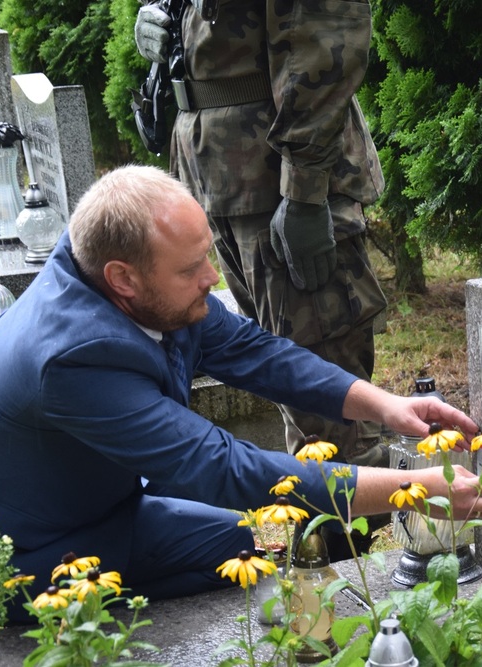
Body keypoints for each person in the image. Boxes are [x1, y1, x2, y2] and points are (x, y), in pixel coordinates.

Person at [0, 166, 482, 623]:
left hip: (107, 502)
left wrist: (383, 404)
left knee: (265, 542)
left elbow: (257, 353)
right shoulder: (71, 359)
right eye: (192, 270)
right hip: (35, 553)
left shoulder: (125, 280)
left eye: (207, 255)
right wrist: (418, 487)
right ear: (124, 279)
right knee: (259, 548)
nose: (212, 278)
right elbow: (226, 468)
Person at [133, 0, 389, 468]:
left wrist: (305, 191)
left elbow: (326, 39)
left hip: (279, 183)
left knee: (327, 408)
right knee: (284, 377)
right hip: (219, 178)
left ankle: (345, 539)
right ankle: (325, 529)